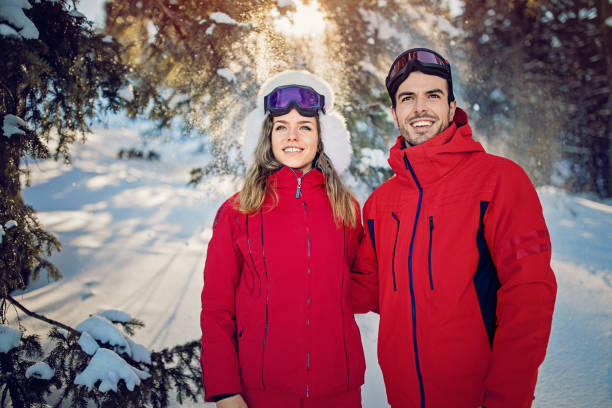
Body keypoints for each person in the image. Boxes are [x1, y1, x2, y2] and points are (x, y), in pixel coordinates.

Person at [350, 48, 557, 408]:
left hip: (479, 398)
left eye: (432, 95)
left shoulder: (499, 180)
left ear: (451, 106)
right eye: (407, 98)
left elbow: (530, 298)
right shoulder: (380, 203)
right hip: (403, 397)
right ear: (394, 112)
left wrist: (507, 400)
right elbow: (362, 291)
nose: (420, 108)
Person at [200, 70, 365, 408]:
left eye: (305, 126)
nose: (293, 135)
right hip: (260, 390)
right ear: (267, 136)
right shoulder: (238, 211)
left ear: (322, 138)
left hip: (337, 389)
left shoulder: (345, 208)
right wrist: (225, 390)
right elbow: (216, 307)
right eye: (281, 127)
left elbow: (357, 289)